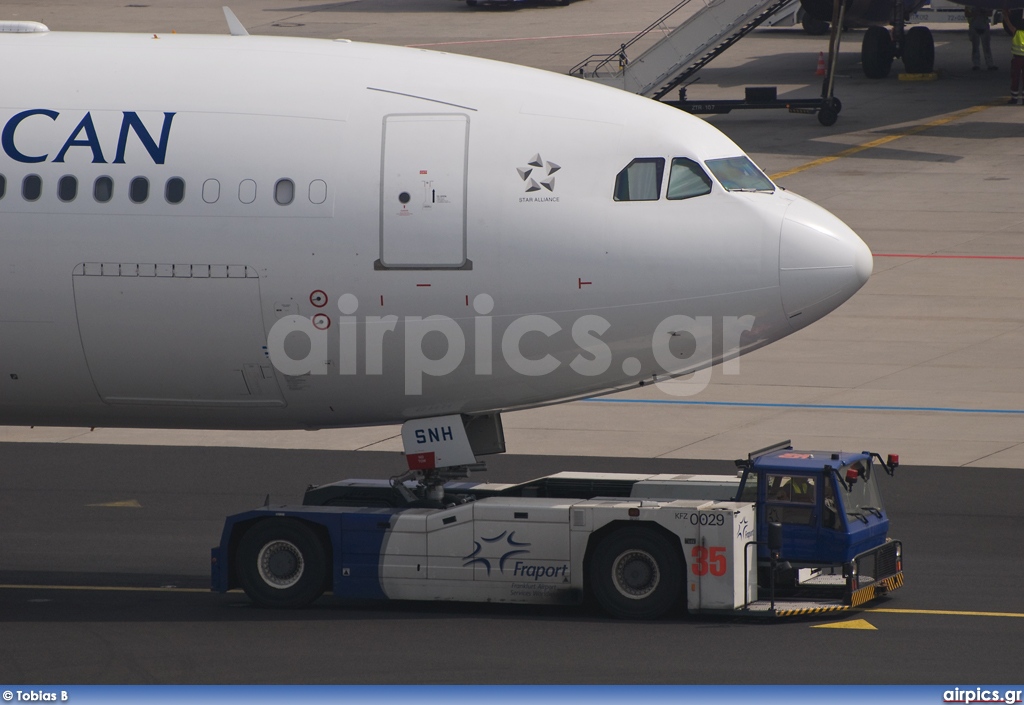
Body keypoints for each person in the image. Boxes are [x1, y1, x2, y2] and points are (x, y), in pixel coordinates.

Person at [965, 6, 996, 70]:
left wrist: (981, 12)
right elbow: (966, 14)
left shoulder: (986, 3)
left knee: (986, 46)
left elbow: (990, 13)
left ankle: (990, 64)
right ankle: (976, 64)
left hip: (984, 25)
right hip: (974, 25)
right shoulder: (969, 4)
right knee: (975, 47)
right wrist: (976, 13)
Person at [1009, 9, 1024, 104]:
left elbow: (1009, 25)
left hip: (1017, 58)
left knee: (1015, 78)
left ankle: (1014, 98)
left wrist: (1006, 15)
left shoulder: (1016, 31)